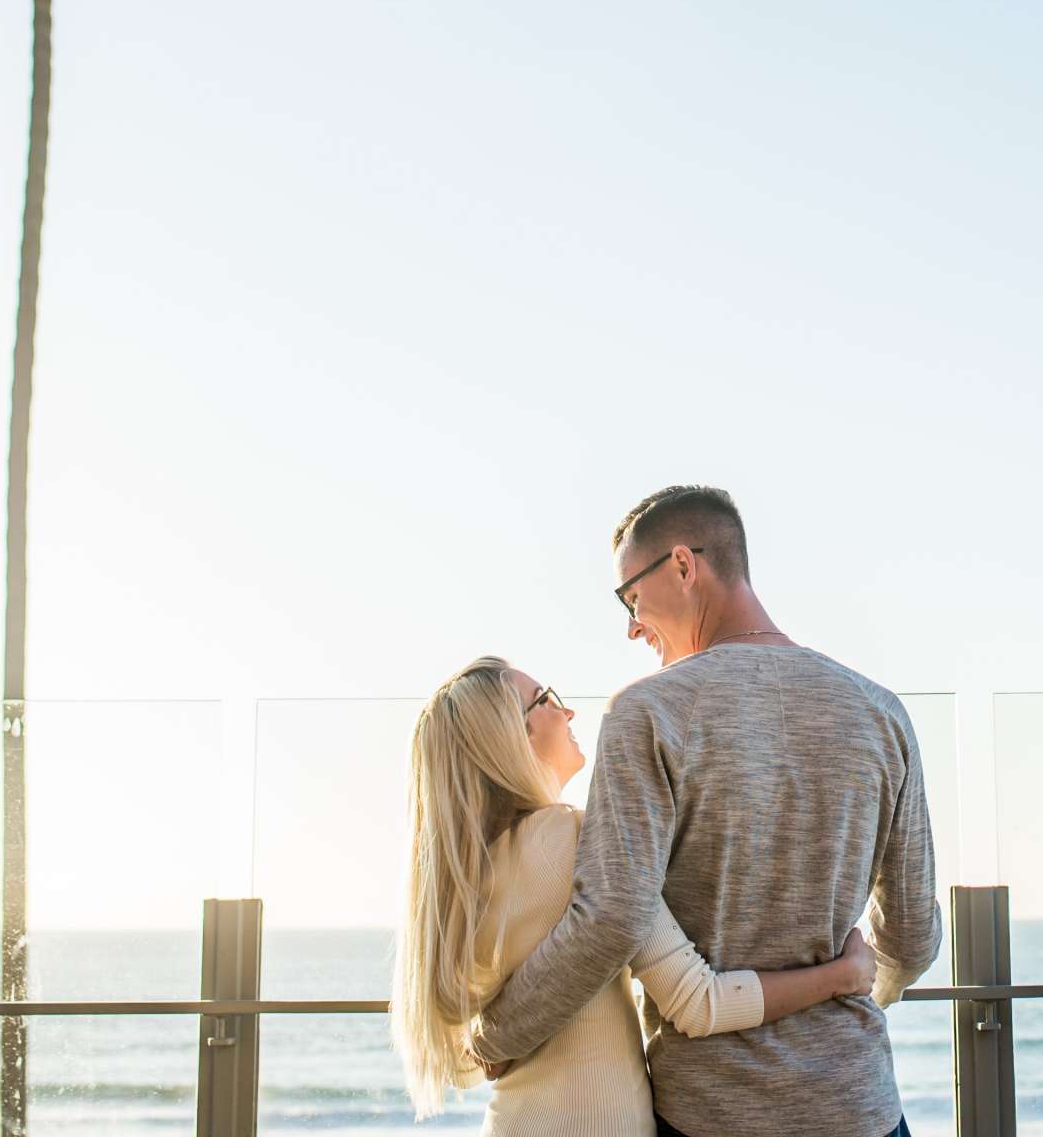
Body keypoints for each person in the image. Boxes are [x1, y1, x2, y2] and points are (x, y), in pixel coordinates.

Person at [472, 485, 941, 1137]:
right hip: (859, 1106)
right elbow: (913, 935)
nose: (633, 626)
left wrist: (494, 1036)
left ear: (684, 566)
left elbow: (612, 917)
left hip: (710, 1113)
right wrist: (855, 988)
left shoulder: (649, 712)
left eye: (631, 598)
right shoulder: (882, 712)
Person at [392, 653, 876, 1132]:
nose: (568, 712)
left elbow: (468, 1062)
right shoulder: (578, 839)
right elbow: (699, 1002)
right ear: (511, 737)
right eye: (546, 699)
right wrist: (842, 975)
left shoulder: (458, 880)